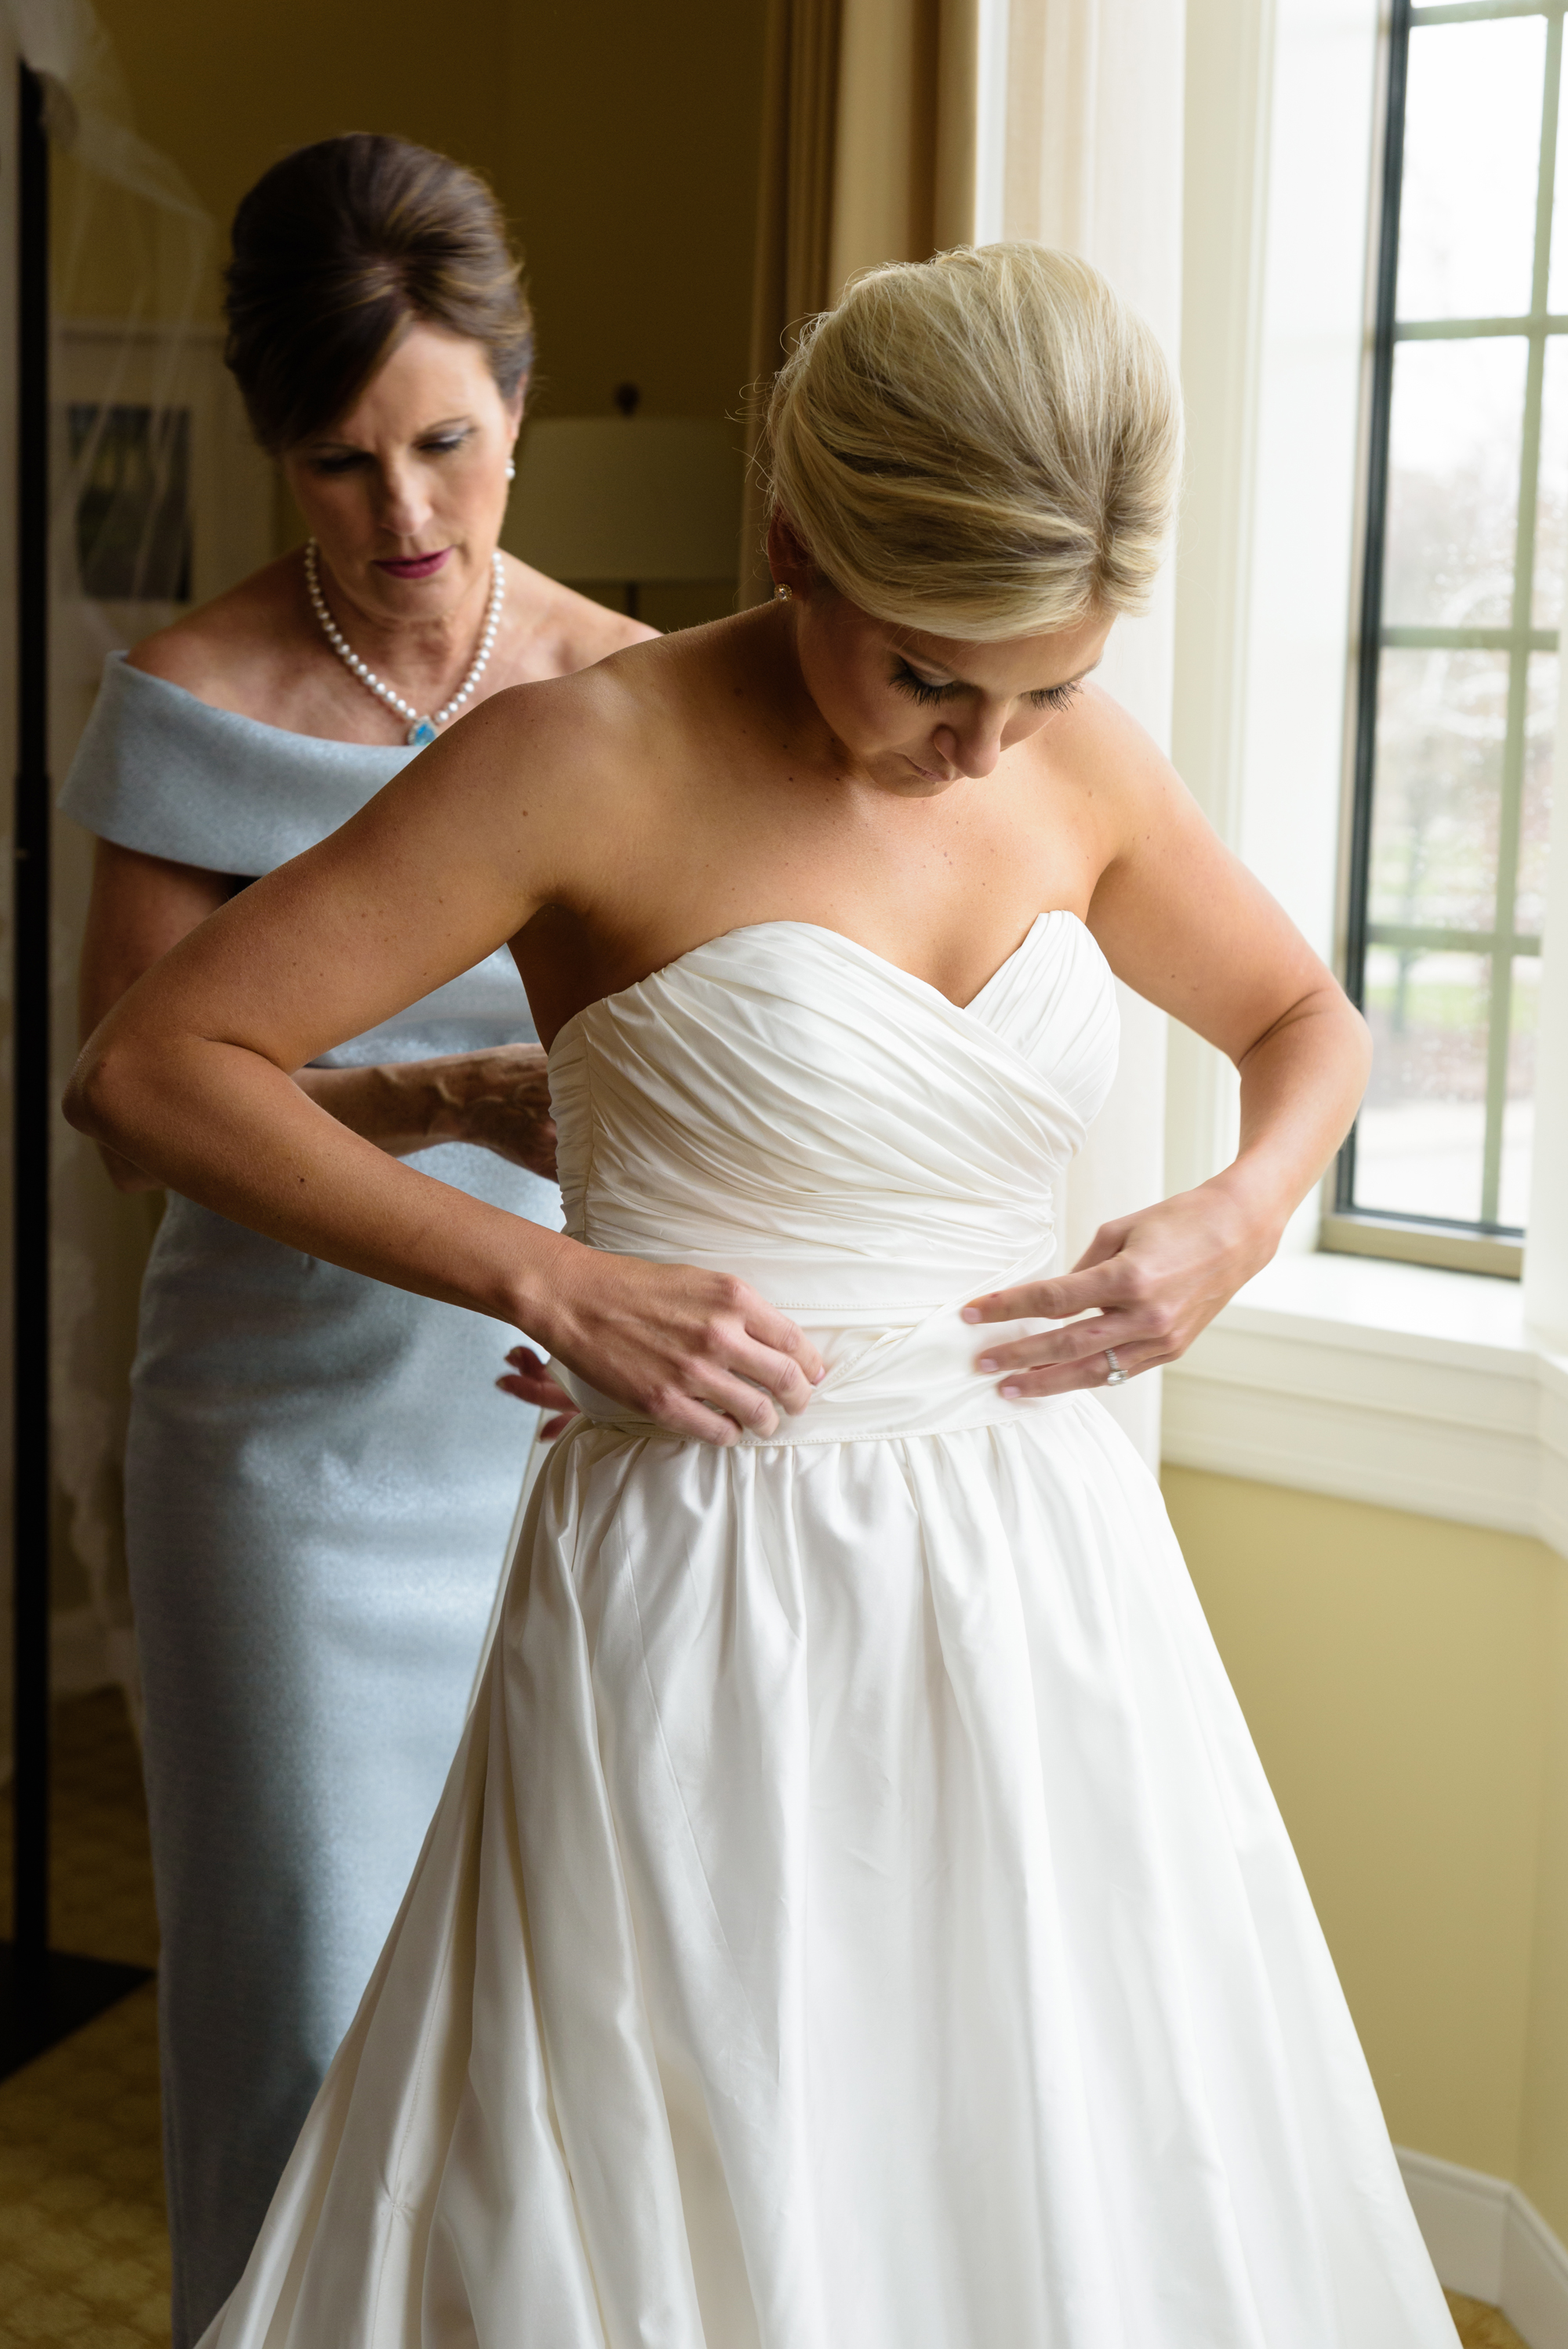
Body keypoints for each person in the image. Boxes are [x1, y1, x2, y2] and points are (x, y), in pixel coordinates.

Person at [70, 243, 1458, 2347]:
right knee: (690, 2150)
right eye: (928, 679)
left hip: (1038, 1569)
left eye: (1048, 688)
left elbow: (1299, 1015)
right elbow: (151, 1065)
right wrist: (549, 1270)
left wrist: (1236, 1216)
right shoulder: (581, 760)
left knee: (1061, 2133)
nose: (986, 748)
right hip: (703, 1572)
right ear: (799, 543)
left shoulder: (1067, 764)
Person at [60, 133, 641, 2346]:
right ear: (271, 449)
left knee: (556, 2020)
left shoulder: (631, 688)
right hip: (284, 1467)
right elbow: (134, 1118)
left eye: (446, 445)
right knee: (297, 2016)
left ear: (511, 390)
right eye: (337, 464)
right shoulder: (191, 705)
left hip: (553, 1435)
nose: (405, 521)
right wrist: (452, 1100)